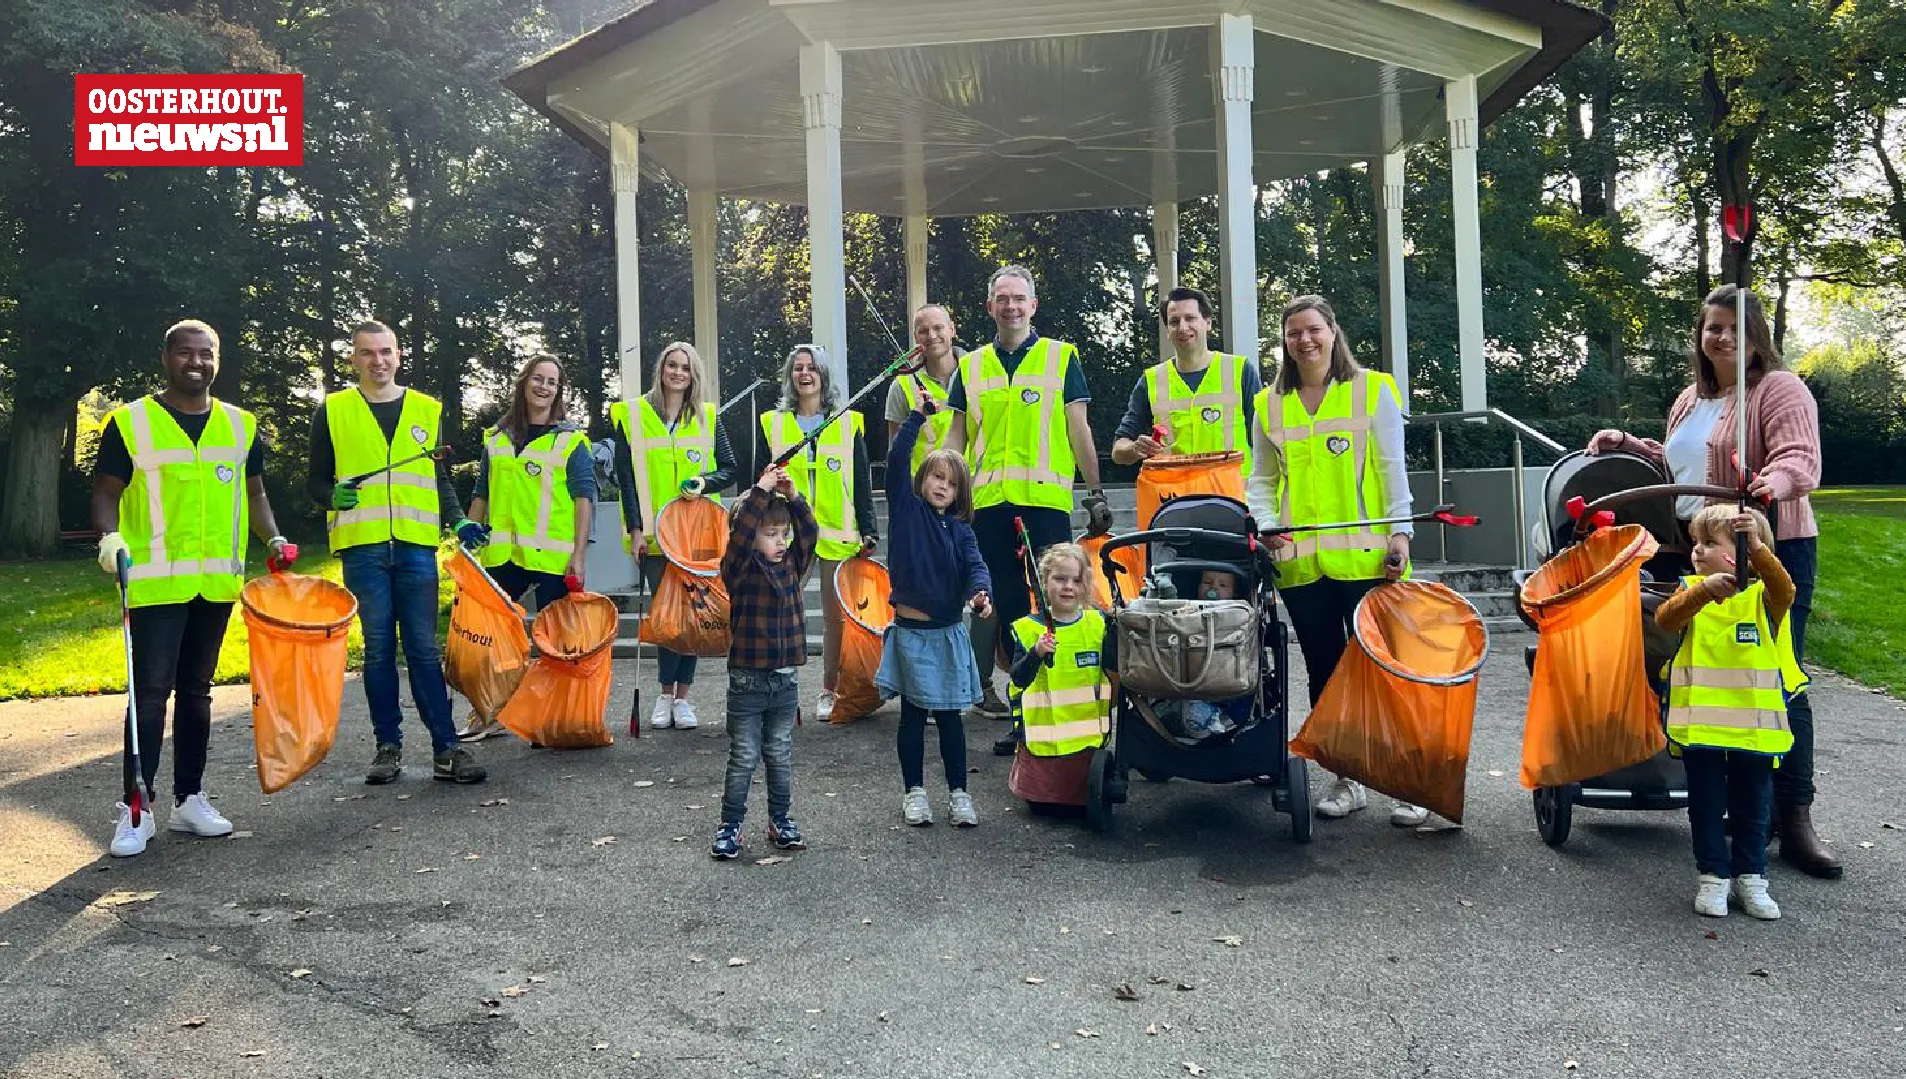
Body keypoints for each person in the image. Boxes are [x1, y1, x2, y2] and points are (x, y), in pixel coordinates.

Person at [1587, 284, 1836, 878]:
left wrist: (1772, 483)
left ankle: (1793, 816)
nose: (1721, 337)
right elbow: (1679, 466)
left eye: (1733, 327)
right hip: (1694, 551)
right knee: (1707, 665)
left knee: (1778, 674)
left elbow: (1801, 458)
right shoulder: (1692, 397)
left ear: (1756, 338)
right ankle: (1727, 794)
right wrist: (1628, 444)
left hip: (1768, 545)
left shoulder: (1779, 389)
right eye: (1711, 327)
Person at [92, 319, 294, 856]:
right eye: (186, 353)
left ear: (217, 360)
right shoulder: (131, 423)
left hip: (214, 587)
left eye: (206, 354)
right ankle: (136, 810)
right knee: (150, 696)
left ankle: (190, 799)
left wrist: (272, 539)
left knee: (198, 694)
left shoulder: (241, 426)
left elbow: (254, 495)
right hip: (155, 585)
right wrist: (110, 537)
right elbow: (106, 490)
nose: (197, 363)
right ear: (166, 358)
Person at [1246, 295, 1433, 827]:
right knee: (1326, 675)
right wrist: (1265, 526)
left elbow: (1392, 470)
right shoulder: (1269, 404)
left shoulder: (1373, 391)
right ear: (1284, 341)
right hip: (1302, 567)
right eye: (1293, 332)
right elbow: (1261, 480)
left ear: (1333, 331)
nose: (1304, 340)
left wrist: (1401, 533)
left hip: (1371, 563)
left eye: (1313, 330)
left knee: (1387, 673)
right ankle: (1346, 780)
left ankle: (1406, 783)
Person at [307, 320, 487, 786]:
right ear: (354, 359)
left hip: (415, 547)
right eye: (367, 353)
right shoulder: (332, 410)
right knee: (380, 650)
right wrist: (331, 497)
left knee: (425, 651)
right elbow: (317, 480)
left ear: (399, 355)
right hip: (363, 549)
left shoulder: (426, 409)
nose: (377, 360)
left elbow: (437, 479)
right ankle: (387, 747)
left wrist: (459, 520)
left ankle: (446, 748)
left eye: (385, 351)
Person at [944, 265, 1111, 723]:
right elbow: (956, 437)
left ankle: (1063, 698)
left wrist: (1095, 492)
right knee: (1008, 605)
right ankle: (1024, 710)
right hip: (989, 505)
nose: (1011, 306)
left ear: (1033, 306)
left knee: (1058, 595)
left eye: (1019, 299)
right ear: (990, 307)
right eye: (1003, 298)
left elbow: (1079, 429)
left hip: (1045, 503)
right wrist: (942, 494)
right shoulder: (971, 365)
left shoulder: (1061, 358)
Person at [1653, 504, 1803, 919]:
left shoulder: (1762, 597)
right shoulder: (1690, 590)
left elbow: (1785, 590)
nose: (1697, 551)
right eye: (1695, 543)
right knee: (1705, 803)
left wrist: (1755, 548)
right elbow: (1666, 620)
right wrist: (1702, 591)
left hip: (1754, 731)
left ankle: (1752, 877)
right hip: (1701, 728)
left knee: (1752, 806)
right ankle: (1713, 877)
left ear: (1739, 553)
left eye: (1709, 543)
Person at [609, 341, 738, 731]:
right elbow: (625, 480)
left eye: (685, 367)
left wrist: (703, 481)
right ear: (661, 369)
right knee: (668, 618)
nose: (678, 372)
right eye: (672, 365)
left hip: (696, 536)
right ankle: (665, 694)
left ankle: (683, 698)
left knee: (692, 617)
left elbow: (730, 468)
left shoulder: (707, 417)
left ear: (693, 374)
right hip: (653, 536)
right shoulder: (630, 415)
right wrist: (634, 531)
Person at [878, 399, 993, 827]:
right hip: (910, 633)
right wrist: (916, 418)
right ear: (921, 481)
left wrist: (981, 594)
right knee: (911, 717)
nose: (942, 485)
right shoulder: (907, 512)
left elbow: (977, 567)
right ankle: (915, 793)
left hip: (947, 633)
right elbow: (894, 461)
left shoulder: (962, 530)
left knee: (949, 720)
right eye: (935, 477)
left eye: (950, 482)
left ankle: (959, 793)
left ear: (961, 492)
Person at [887, 303, 1006, 717]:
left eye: (939, 327)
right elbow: (896, 455)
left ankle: (980, 683)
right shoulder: (902, 386)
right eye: (922, 330)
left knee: (981, 582)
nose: (932, 336)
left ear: (953, 328)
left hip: (973, 495)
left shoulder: (977, 369)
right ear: (915, 337)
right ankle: (924, 689)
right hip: (920, 507)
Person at [758, 344, 878, 722]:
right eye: (798, 369)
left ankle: (830, 690)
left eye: (812, 368)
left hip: (837, 533)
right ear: (790, 376)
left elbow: (861, 481)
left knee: (834, 619)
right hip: (785, 532)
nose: (804, 374)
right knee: (776, 611)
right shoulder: (773, 423)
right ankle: (777, 689)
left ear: (823, 377)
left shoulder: (847, 421)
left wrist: (869, 530)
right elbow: (758, 479)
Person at [710, 463, 819, 860]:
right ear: (752, 533)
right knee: (743, 755)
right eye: (770, 534)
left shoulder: (792, 564)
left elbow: (810, 534)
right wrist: (759, 490)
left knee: (779, 751)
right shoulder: (739, 568)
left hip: (784, 681)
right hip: (747, 682)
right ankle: (731, 825)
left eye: (782, 534)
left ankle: (780, 820)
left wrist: (792, 495)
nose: (780, 541)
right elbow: (738, 538)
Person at [465, 353, 597, 609]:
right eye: (538, 379)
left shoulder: (571, 441)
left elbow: (584, 500)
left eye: (551, 382)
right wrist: (468, 548)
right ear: (524, 383)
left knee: (555, 640)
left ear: (558, 391)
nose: (543, 387)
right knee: (494, 635)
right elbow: (481, 493)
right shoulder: (497, 439)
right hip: (501, 557)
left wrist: (578, 556)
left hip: (553, 559)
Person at [1003, 543, 1114, 806]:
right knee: (1044, 806)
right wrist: (1036, 654)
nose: (1068, 587)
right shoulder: (1028, 630)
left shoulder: (1098, 623)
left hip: (1088, 742)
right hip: (1043, 746)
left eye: (1076, 580)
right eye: (1060, 579)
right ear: (1044, 582)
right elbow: (1018, 678)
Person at [1109, 286, 1261, 470]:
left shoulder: (1241, 371)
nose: (1182, 327)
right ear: (1167, 330)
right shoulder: (1151, 381)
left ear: (1208, 323)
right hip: (1175, 497)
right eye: (1174, 321)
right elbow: (1118, 451)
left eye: (1190, 318)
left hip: (1230, 496)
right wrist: (1134, 448)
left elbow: (1264, 441)